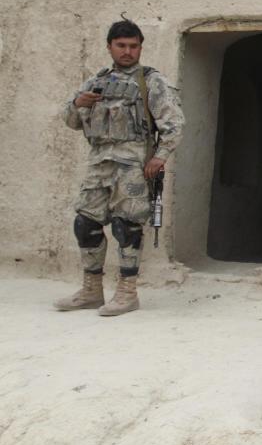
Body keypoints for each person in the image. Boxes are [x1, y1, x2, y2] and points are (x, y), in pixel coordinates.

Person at [53, 17, 184, 316]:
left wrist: (159, 157)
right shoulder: (96, 81)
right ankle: (91, 290)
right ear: (110, 47)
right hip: (99, 164)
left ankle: (127, 293)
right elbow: (70, 121)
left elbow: (174, 124)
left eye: (133, 46)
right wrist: (78, 103)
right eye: (121, 46)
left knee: (127, 227)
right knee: (85, 223)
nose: (127, 51)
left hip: (134, 165)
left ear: (140, 48)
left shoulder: (151, 81)